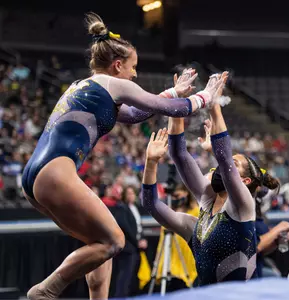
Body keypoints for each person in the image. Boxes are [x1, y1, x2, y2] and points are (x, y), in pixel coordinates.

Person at [21, 13, 225, 300]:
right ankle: (45, 290)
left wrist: (172, 91)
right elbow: (175, 109)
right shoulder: (114, 83)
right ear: (118, 65)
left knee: (99, 244)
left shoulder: (86, 85)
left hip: (35, 175)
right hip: (56, 172)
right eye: (133, 68)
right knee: (115, 241)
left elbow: (136, 114)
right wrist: (206, 95)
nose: (135, 74)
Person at [141, 73, 280, 285]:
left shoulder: (243, 208)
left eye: (236, 164)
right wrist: (177, 105)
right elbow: (177, 157)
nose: (221, 168)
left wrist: (214, 107)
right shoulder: (197, 220)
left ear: (245, 182)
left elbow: (225, 162)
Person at [152, 184, 199, 290]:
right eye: (172, 196)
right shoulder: (169, 214)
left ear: (186, 193)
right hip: (172, 257)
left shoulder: (196, 211)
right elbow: (162, 240)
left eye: (177, 196)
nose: (174, 199)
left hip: (189, 256)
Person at [108, 186, 147, 297]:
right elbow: (126, 228)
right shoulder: (121, 208)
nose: (131, 195)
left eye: (132, 193)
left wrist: (142, 238)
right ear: (124, 195)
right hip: (128, 247)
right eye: (128, 193)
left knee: (132, 276)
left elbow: (139, 226)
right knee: (124, 275)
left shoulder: (134, 207)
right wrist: (137, 241)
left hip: (135, 247)